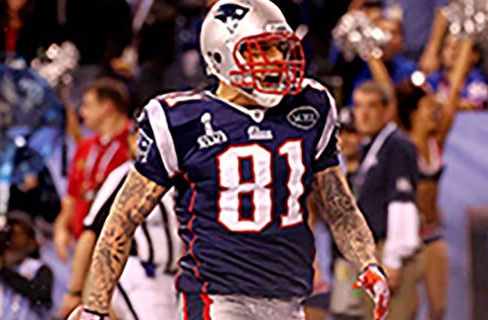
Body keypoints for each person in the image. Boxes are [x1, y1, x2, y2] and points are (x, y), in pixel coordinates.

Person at [71, 1, 390, 319]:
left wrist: (366, 262)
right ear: (221, 54)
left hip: (288, 299)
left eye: (280, 48)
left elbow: (339, 205)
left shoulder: (310, 106)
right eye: (262, 50)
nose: (277, 59)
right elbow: (122, 219)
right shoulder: (182, 121)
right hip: (218, 298)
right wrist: (95, 307)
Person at [57, 125, 181, 319]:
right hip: (140, 273)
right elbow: (91, 231)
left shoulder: (185, 176)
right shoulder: (126, 176)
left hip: (177, 277)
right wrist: (75, 290)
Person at [351, 81, 421, 320]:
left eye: (371, 106)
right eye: (359, 106)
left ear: (386, 110)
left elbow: (402, 202)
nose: (364, 114)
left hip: (388, 250)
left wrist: (393, 259)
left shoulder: (397, 146)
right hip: (373, 252)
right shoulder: (371, 146)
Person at [53, 78, 132, 261]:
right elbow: (72, 196)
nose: (82, 112)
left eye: (88, 105)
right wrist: (61, 228)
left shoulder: (133, 145)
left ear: (107, 106)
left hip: (120, 250)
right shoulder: (85, 147)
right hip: (83, 246)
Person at [395, 80, 449, 320]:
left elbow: (454, 93)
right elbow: (390, 93)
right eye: (428, 105)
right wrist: (372, 54)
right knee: (409, 309)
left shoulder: (436, 142)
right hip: (408, 236)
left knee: (438, 308)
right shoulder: (402, 142)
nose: (435, 109)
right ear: (413, 111)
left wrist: (466, 44)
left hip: (432, 232)